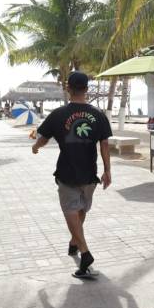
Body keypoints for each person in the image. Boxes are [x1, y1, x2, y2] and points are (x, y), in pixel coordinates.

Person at [32, 72, 112, 279]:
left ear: (68, 88)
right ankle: (74, 243)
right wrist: (107, 171)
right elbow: (104, 144)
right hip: (90, 173)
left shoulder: (58, 114)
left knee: (72, 211)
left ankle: (84, 253)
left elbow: (43, 138)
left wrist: (35, 147)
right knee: (80, 210)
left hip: (67, 172)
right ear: (86, 89)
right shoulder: (98, 114)